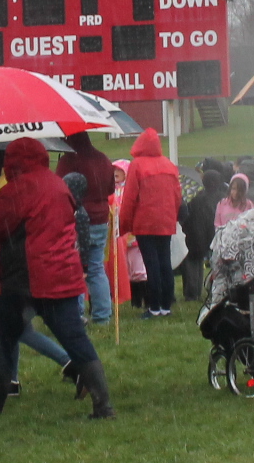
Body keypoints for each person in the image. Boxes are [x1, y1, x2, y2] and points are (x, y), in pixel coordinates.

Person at [0, 136, 114, 418]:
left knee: (2, 339)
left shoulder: (21, 187)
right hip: (61, 274)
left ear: (14, 161)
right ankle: (103, 405)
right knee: (75, 339)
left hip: (26, 276)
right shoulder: (56, 184)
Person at [119, 129, 183, 318]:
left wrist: (124, 224)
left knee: (151, 265)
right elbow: (177, 196)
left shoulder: (137, 165)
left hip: (145, 222)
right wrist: (172, 215)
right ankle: (166, 305)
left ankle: (154, 307)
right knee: (165, 263)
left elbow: (130, 198)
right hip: (166, 221)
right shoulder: (169, 165)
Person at [58, 130, 117, 325]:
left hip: (77, 217)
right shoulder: (103, 159)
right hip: (101, 217)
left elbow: (61, 188)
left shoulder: (69, 160)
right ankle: (102, 315)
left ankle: (76, 315)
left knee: (74, 267)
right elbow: (111, 188)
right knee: (96, 267)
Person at [180, 165, 226, 303]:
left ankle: (192, 293)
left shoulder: (197, 199)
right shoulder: (223, 198)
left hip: (196, 235)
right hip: (217, 235)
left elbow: (189, 218)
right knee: (215, 265)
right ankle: (216, 291)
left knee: (193, 264)